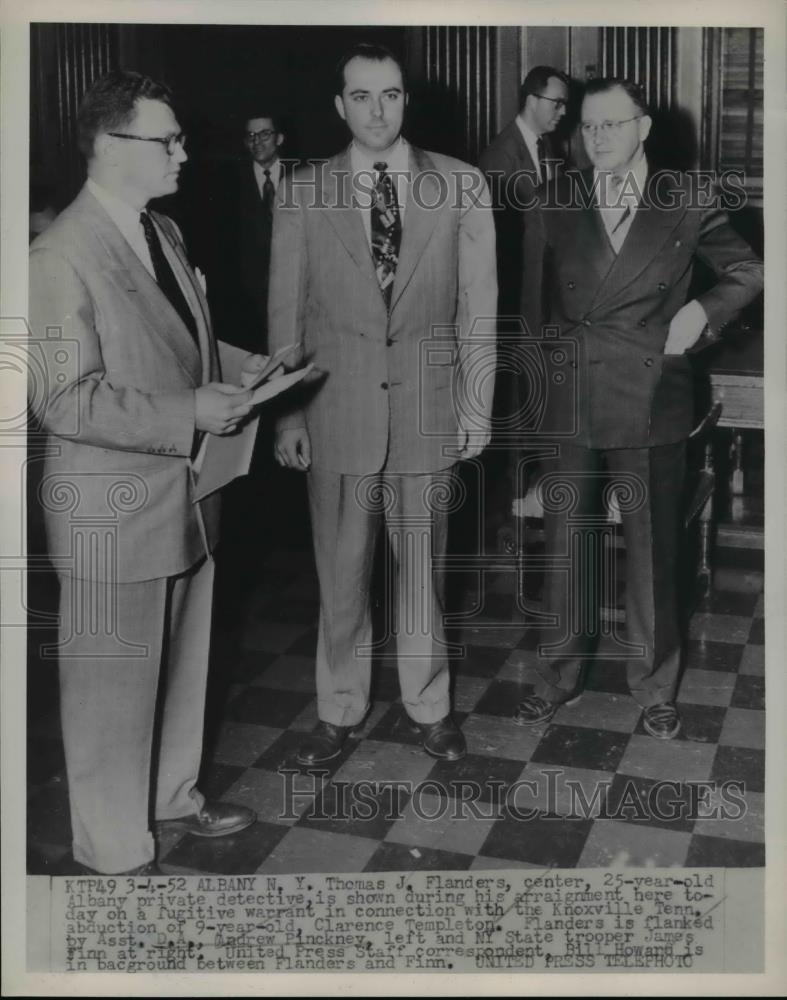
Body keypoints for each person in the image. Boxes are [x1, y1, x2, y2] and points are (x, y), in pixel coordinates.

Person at [28, 70, 264, 875]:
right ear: (108, 147)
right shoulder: (57, 255)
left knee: (180, 671)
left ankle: (172, 799)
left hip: (183, 496)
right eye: (167, 141)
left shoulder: (159, 231)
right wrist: (188, 414)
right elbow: (64, 399)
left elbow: (176, 350)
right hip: (111, 508)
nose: (184, 154)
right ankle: (114, 851)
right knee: (109, 698)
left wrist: (252, 368)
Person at [268, 43, 497, 765]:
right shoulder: (302, 192)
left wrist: (476, 405)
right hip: (335, 413)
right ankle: (338, 708)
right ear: (339, 105)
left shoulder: (460, 186)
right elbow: (286, 318)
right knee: (340, 575)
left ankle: (429, 705)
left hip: (428, 413)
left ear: (406, 101)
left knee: (423, 572)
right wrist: (288, 413)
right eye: (361, 96)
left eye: (390, 95)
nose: (376, 110)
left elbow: (478, 311)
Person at [513, 78, 763, 739]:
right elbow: (533, 313)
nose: (597, 138)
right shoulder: (552, 197)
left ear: (643, 128)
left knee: (652, 550)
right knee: (568, 546)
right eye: (588, 127)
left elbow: (749, 272)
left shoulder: (685, 197)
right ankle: (556, 676)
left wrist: (700, 314)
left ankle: (654, 683)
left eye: (612, 125)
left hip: (653, 398)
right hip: (570, 393)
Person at [479, 67, 570, 541]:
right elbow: (495, 251)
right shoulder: (499, 157)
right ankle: (513, 515)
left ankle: (528, 503)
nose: (562, 112)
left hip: (540, 306)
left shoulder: (547, 149)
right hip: (512, 310)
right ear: (532, 99)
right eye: (556, 103)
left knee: (534, 411)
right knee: (515, 413)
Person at [239, 112, 287, 352]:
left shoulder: (304, 176)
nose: (257, 141)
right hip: (249, 308)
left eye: (265, 134)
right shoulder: (227, 184)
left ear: (279, 138)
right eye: (250, 135)